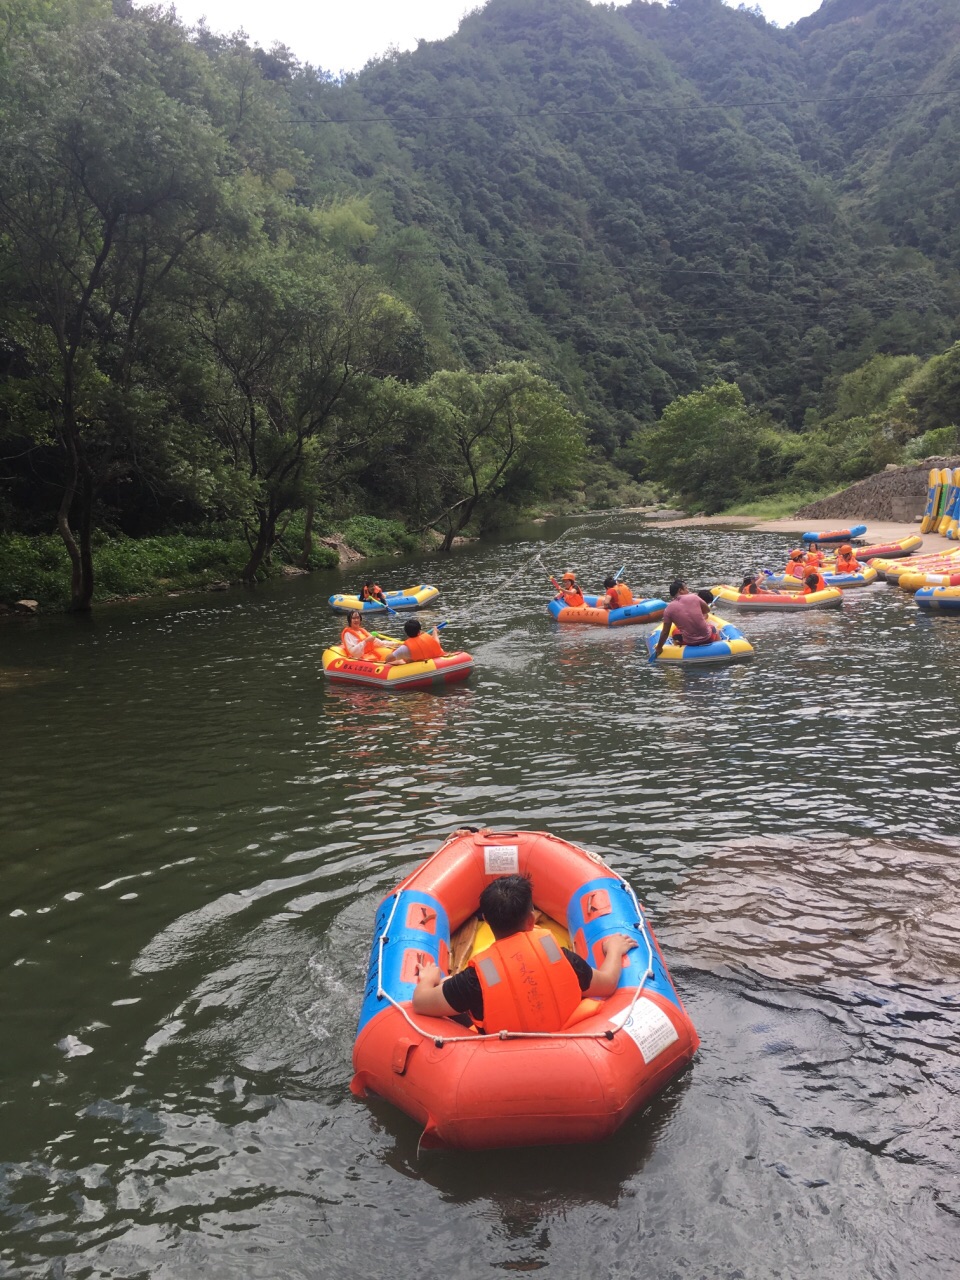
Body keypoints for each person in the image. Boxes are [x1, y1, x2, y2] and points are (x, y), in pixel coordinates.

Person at [411, 873, 637, 1033]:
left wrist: (429, 979)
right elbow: (607, 984)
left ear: (487, 922)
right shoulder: (558, 955)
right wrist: (614, 951)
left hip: (499, 1056)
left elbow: (420, 1003)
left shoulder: (474, 979)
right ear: (531, 920)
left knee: (450, 994)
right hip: (570, 1043)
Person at [653, 579, 720, 656]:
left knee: (675, 633)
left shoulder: (668, 610)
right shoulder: (694, 597)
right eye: (686, 588)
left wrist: (659, 647)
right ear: (680, 590)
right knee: (714, 628)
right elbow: (707, 610)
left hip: (689, 642)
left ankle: (678, 650)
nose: (688, 590)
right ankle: (718, 648)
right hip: (707, 638)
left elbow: (665, 632)